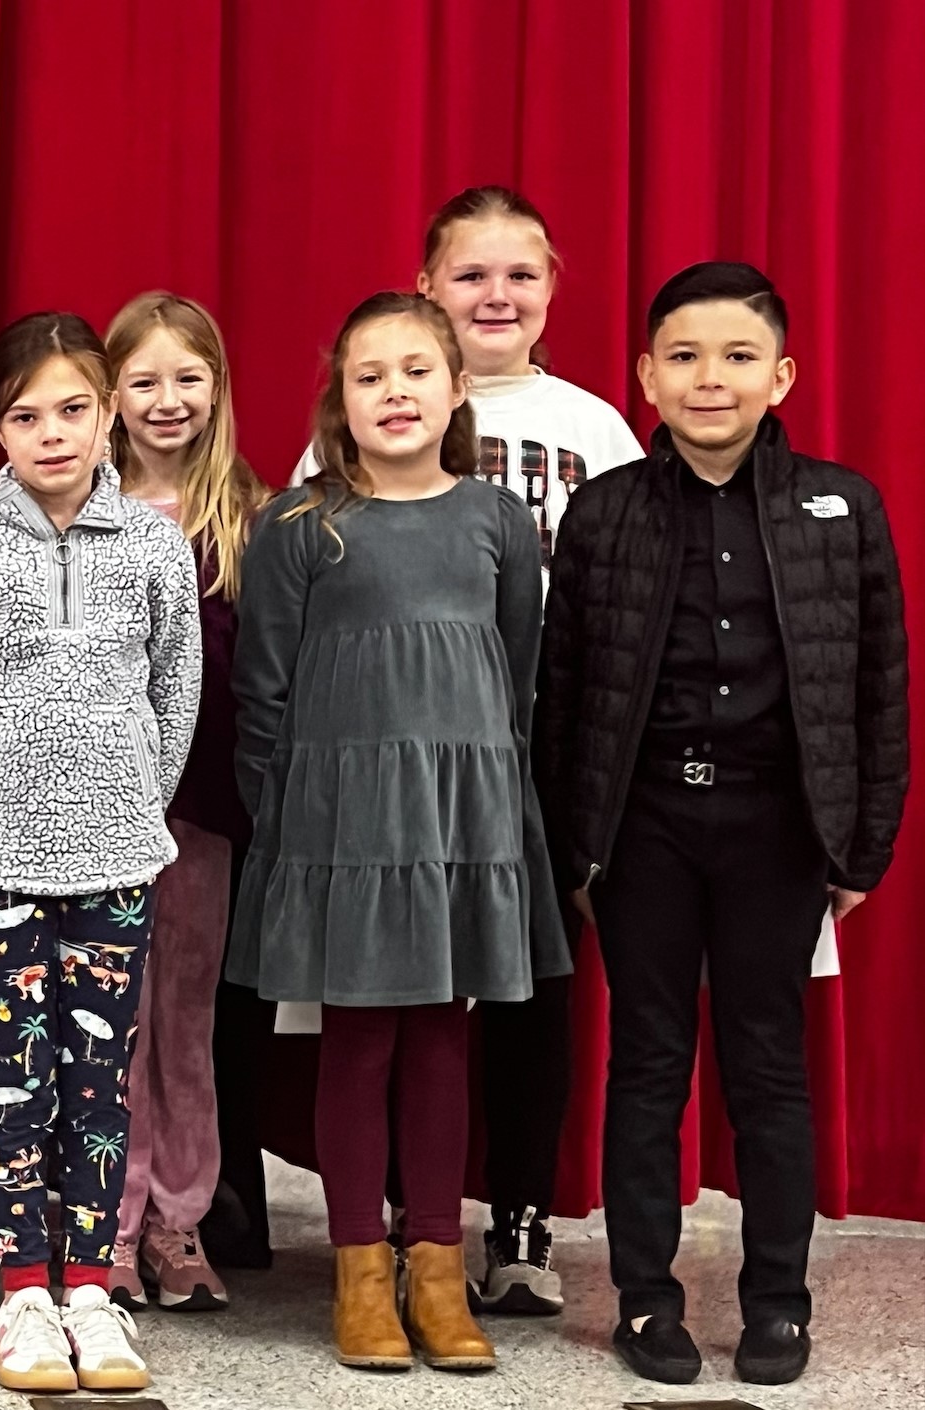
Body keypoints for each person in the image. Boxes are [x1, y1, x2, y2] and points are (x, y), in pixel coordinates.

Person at [537, 262, 909, 1388]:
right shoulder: (606, 511)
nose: (711, 378)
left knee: (768, 1068)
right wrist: (576, 849)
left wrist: (861, 847)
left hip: (778, 829)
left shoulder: (842, 508)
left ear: (780, 376)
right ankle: (646, 1302)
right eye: (685, 356)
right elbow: (564, 693)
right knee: (647, 1065)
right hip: (644, 828)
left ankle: (779, 1306)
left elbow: (881, 688)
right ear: (646, 375)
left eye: (739, 357)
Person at [293, 189, 644, 1312]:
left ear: (552, 289)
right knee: (386, 1009)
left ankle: (518, 1222)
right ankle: (392, 1230)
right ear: (428, 287)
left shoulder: (595, 427)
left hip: (522, 751)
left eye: (520, 275)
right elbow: (288, 641)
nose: (497, 295)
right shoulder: (339, 461)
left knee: (526, 995)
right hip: (374, 766)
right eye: (471, 274)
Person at [232, 291, 566, 1374]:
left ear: (458, 389)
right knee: (358, 1039)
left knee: (441, 1039)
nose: (394, 393)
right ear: (339, 398)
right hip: (343, 825)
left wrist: (498, 818)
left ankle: (436, 1264)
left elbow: (516, 679)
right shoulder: (300, 524)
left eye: (416, 371)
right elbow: (263, 690)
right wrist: (289, 829)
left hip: (461, 820)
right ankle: (359, 1272)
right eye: (369, 376)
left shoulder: (496, 519)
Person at [0, 311, 202, 1394]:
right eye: (26, 417)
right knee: (16, 1081)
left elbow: (176, 692)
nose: (54, 433)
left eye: (74, 409)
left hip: (113, 865)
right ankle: (24, 1292)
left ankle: (90, 1292)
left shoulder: (155, 546)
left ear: (109, 411)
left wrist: (135, 809)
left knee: (99, 1083)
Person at [101, 291, 271, 1312]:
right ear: (110, 394)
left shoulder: (251, 517)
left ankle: (179, 1217)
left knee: (186, 1020)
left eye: (188, 379)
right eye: (145, 381)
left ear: (217, 389)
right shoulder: (77, 508)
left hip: (202, 812)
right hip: (92, 814)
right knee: (111, 1021)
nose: (168, 400)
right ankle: (110, 1222)